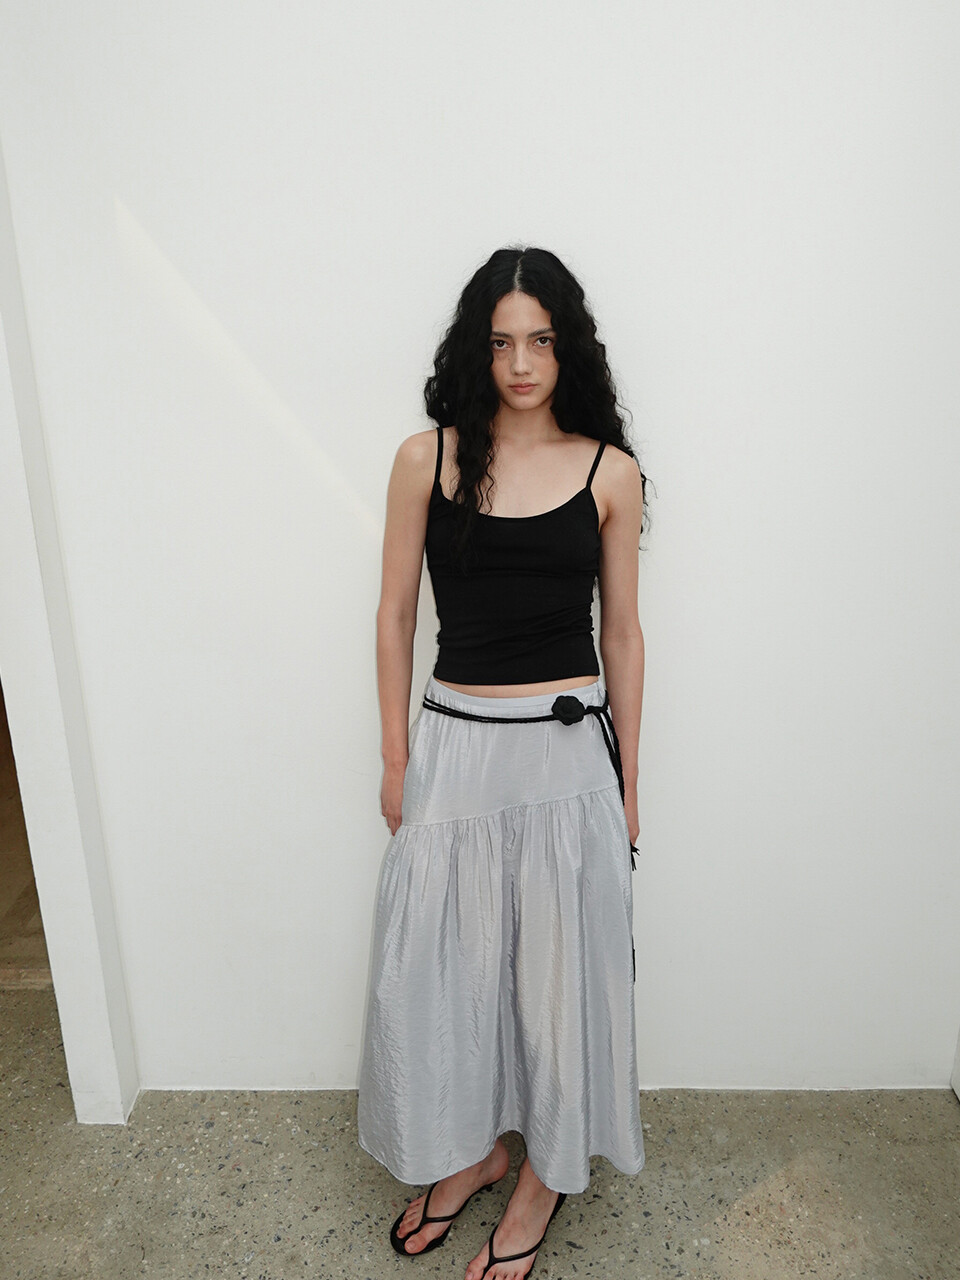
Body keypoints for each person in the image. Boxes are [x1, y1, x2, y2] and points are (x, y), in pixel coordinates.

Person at [357, 245, 648, 1280]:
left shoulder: (609, 471)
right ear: (475, 350)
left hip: (567, 758)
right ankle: (473, 1149)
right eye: (501, 342)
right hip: (454, 746)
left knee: (559, 983)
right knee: (444, 973)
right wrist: (396, 757)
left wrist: (629, 788)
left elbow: (623, 636)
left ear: (568, 349)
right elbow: (395, 614)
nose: (522, 363)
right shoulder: (425, 459)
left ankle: (541, 1179)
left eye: (541, 340)